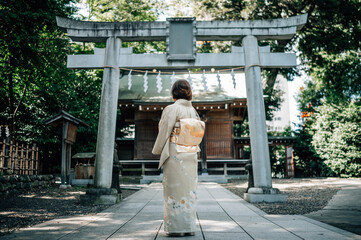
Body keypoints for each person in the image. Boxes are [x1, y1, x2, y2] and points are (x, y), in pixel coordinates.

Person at [152, 79, 204, 237]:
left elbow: (164, 129)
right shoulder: (193, 110)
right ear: (188, 92)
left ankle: (176, 228)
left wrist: (158, 149)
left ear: (174, 92)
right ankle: (188, 227)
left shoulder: (171, 108)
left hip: (176, 154)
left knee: (174, 189)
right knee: (189, 190)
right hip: (191, 152)